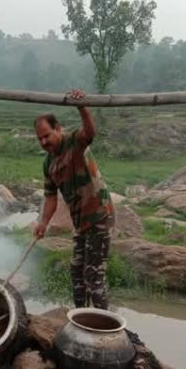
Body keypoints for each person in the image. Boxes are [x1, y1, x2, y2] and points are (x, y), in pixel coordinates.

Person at [33, 89, 115, 310]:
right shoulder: (48, 163)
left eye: (47, 135)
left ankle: (103, 331)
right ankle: (81, 317)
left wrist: (82, 107)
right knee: (77, 272)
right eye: (39, 138)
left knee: (93, 277)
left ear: (58, 129)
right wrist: (43, 223)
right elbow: (50, 197)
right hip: (80, 223)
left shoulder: (74, 142)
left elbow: (90, 132)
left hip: (99, 216)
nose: (43, 141)